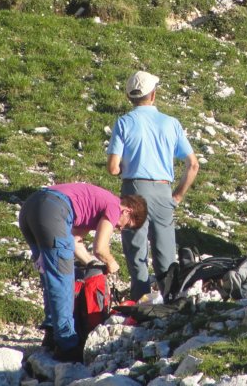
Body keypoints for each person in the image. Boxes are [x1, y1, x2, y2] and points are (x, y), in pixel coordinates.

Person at [18, 183, 147, 362]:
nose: (121, 229)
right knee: (63, 281)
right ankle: (67, 346)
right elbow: (100, 249)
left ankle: (51, 334)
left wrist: (92, 264)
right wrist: (111, 262)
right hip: (54, 209)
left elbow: (73, 242)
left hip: (31, 207)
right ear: (127, 211)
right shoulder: (114, 206)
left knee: (49, 275)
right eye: (128, 225)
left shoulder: (94, 208)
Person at [107, 71, 199, 301]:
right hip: (163, 191)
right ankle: (170, 300)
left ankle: (140, 299)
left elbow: (113, 168)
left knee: (136, 251)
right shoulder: (171, 123)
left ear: (129, 97)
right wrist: (177, 196)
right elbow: (193, 165)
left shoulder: (124, 122)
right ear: (153, 95)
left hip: (133, 190)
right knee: (165, 254)